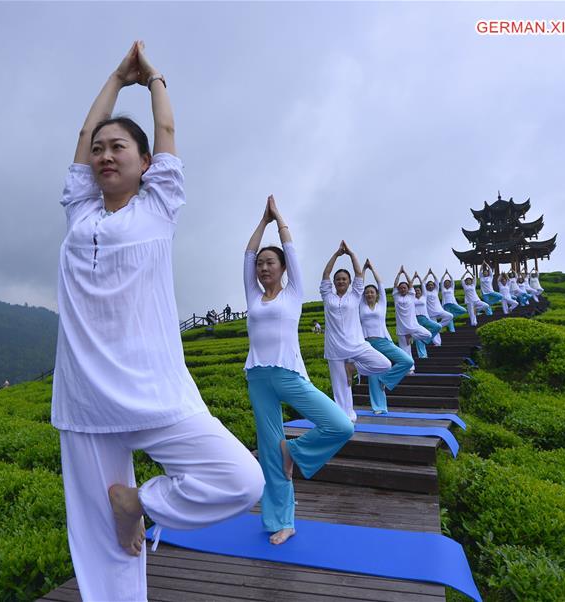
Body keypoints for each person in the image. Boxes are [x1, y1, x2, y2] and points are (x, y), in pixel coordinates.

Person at [52, 41, 264, 602]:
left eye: (117, 146)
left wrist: (150, 80)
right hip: (85, 399)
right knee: (103, 544)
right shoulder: (80, 211)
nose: (103, 155)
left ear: (145, 163)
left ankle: (140, 503)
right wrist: (112, 79)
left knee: (242, 480)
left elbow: (166, 130)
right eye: (98, 150)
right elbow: (82, 133)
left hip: (154, 389)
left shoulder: (158, 206)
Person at [244, 195, 353, 546]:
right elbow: (246, 255)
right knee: (269, 450)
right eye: (260, 264)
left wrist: (279, 220)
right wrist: (261, 224)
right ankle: (282, 521)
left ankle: (296, 451)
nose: (263, 268)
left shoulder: (293, 294)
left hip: (288, 373)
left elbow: (290, 250)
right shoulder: (252, 295)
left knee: (340, 425)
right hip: (258, 377)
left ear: (283, 268)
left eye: (269, 263)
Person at [320, 241, 391, 423]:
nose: (341, 281)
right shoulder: (328, 295)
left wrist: (351, 254)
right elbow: (326, 274)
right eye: (338, 279)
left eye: (344, 279)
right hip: (335, 348)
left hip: (356, 345)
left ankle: (354, 368)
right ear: (334, 283)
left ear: (350, 282)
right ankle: (347, 417)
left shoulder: (355, 295)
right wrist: (336, 254)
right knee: (341, 387)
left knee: (385, 364)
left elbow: (359, 273)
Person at [358, 259, 414, 414]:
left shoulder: (382, 303)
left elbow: (381, 284)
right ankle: (379, 407)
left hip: (383, 341)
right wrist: (363, 271)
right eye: (367, 292)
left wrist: (372, 269)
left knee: (407, 361)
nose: (369, 293)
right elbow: (359, 285)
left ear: (376, 295)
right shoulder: (361, 305)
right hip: (367, 344)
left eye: (372, 292)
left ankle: (387, 380)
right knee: (373, 375)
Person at [393, 267, 434, 361]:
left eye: (404, 287)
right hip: (401, 329)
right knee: (405, 351)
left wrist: (405, 273)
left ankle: (412, 336)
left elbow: (410, 283)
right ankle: (410, 370)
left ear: (408, 289)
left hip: (413, 326)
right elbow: (395, 284)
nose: (403, 289)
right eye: (401, 288)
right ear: (398, 289)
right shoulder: (396, 296)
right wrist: (399, 273)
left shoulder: (411, 295)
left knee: (428, 334)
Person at [412, 273, 442, 348]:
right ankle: (422, 356)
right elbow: (410, 287)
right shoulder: (412, 298)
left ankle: (427, 340)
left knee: (438, 326)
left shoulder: (424, 297)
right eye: (416, 291)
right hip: (416, 319)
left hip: (425, 318)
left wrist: (418, 277)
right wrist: (413, 278)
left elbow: (422, 284)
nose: (417, 292)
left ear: (421, 291)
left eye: (418, 290)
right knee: (419, 336)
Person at [423, 268, 454, 342]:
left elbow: (436, 281)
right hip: (430, 313)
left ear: (434, 286)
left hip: (439, 310)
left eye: (432, 285)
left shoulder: (436, 291)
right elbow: (423, 282)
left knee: (450, 316)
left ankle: (439, 326)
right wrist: (427, 274)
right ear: (427, 287)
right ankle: (437, 343)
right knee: (435, 329)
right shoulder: (425, 293)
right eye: (429, 285)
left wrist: (432, 273)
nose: (431, 286)